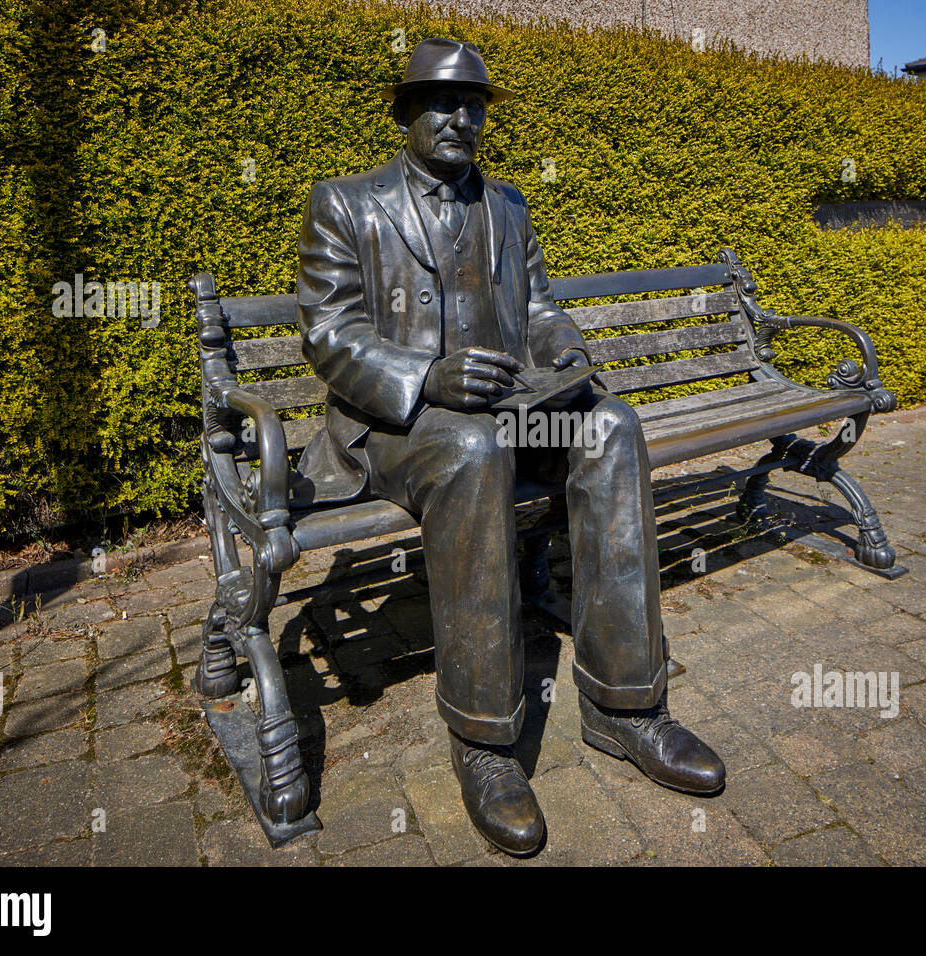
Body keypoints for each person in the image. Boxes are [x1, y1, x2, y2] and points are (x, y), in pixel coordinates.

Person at [296, 38, 724, 856]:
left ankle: (626, 703)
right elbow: (329, 334)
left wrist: (562, 349)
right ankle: (486, 741)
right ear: (406, 112)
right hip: (398, 429)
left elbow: (537, 310)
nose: (461, 118)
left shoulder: (510, 207)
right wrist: (427, 376)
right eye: (441, 102)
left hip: (509, 415)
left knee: (612, 426)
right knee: (469, 452)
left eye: (473, 105)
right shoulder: (347, 204)